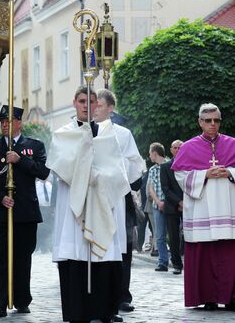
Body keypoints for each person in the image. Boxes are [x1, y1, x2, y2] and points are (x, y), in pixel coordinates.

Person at [48, 86, 130, 323]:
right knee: (76, 258)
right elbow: (61, 167)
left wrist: (100, 176)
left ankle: (102, 311)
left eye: (91, 101)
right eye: (82, 101)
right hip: (74, 209)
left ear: (97, 105)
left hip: (101, 204)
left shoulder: (108, 135)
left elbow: (119, 173)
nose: (86, 105)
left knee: (101, 261)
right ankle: (76, 312)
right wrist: (85, 171)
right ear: (74, 102)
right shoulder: (63, 134)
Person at [0, 105, 49, 318]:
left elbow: (43, 172)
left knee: (22, 258)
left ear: (20, 122)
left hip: (25, 212)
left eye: (11, 121)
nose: (7, 125)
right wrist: (0, 198)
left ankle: (21, 298)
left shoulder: (34, 146)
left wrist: (20, 160)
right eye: (3, 122)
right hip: (0, 212)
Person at [172, 103, 235, 310]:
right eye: (208, 121)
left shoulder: (232, 143)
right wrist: (204, 174)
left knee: (228, 256)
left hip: (228, 209)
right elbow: (180, 176)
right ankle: (208, 298)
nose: (213, 124)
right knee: (204, 256)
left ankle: (231, 298)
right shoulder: (188, 147)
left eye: (216, 120)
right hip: (202, 210)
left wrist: (231, 173)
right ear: (200, 122)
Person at [94, 89, 145, 320]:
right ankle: (96, 297)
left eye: (100, 105)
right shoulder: (86, 131)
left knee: (122, 250)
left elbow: (135, 167)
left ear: (111, 108)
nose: (95, 108)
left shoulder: (123, 134)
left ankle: (122, 296)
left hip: (119, 196)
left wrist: (122, 172)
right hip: (93, 197)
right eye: (94, 104)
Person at [160, 139, 184, 275]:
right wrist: (179, 202)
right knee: (174, 237)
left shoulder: (190, 165)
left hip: (189, 204)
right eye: (175, 148)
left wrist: (185, 201)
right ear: (171, 150)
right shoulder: (165, 167)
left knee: (189, 236)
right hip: (172, 206)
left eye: (180, 147)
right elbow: (165, 188)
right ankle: (176, 264)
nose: (177, 150)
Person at [148, 142, 169, 272]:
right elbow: (151, 189)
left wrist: (166, 202)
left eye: (150, 153)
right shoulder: (152, 170)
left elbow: (174, 186)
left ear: (155, 153)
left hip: (170, 206)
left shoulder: (170, 165)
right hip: (157, 206)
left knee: (173, 234)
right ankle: (163, 262)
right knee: (160, 236)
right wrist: (158, 202)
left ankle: (176, 260)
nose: (149, 156)